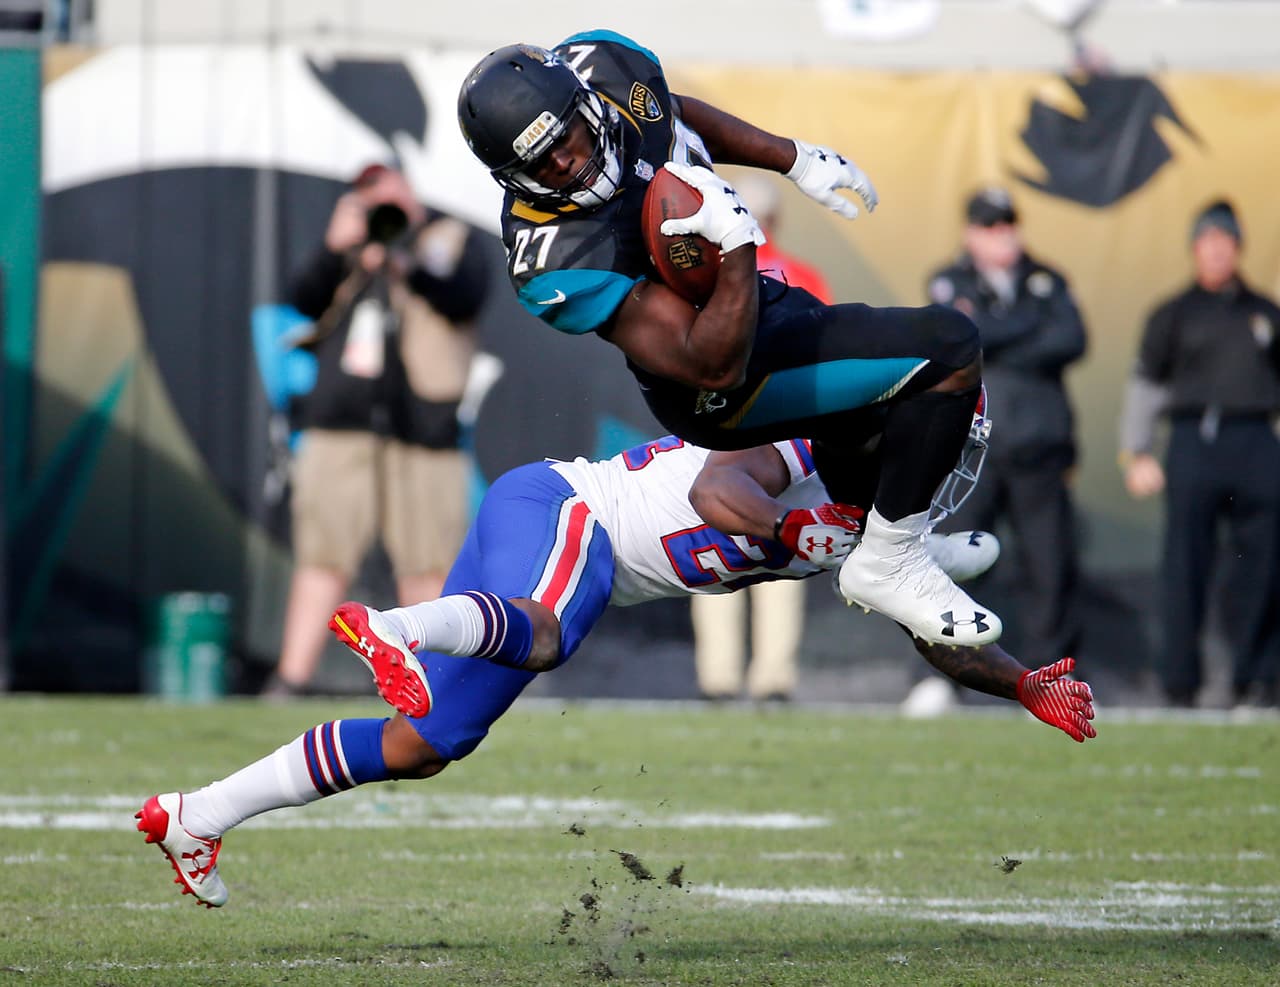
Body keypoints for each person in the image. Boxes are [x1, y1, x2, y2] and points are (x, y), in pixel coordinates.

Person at [136, 430, 1095, 907]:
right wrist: (796, 525)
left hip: (565, 551)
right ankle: (394, 624)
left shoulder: (886, 525)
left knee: (427, 742)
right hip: (569, 514)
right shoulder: (819, 433)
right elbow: (726, 485)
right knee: (549, 631)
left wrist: (1021, 684)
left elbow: (933, 629)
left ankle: (197, 814)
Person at [454, 33, 1000, 649]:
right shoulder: (552, 256)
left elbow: (670, 112)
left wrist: (791, 158)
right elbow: (710, 365)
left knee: (868, 421)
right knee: (951, 351)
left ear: (585, 103)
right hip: (721, 391)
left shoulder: (606, 65)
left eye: (565, 138)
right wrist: (738, 245)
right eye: (538, 162)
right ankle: (891, 560)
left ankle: (891, 547)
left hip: (765, 308)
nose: (561, 163)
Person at [262, 163, 491, 696]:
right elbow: (302, 300)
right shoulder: (349, 250)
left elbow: (465, 297)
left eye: (387, 192)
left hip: (423, 432)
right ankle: (289, 681)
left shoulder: (448, 237)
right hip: (344, 426)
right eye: (367, 196)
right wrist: (337, 248)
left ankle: (435, 682)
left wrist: (404, 262)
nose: (381, 205)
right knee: (323, 557)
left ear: (409, 190)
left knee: (427, 565)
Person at [905, 186, 1087, 716]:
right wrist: (1026, 324)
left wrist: (993, 329)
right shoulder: (950, 279)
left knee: (1049, 568)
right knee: (954, 564)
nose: (1001, 233)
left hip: (1039, 446)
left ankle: (1052, 678)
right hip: (970, 452)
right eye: (990, 225)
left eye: (1007, 222)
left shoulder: (1046, 278)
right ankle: (945, 677)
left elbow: (1071, 339)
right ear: (970, 233)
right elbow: (956, 335)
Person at [1118, 199, 1280, 708]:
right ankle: (1180, 682)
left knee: (1264, 564)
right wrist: (1136, 451)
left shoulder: (1265, 313)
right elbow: (1145, 384)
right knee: (1184, 566)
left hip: (1256, 440)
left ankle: (1256, 679)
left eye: (1225, 240)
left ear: (1237, 246)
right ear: (1194, 248)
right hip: (1193, 441)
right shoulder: (1173, 314)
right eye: (1207, 240)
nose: (1216, 250)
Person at [688, 174, 835, 702]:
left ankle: (719, 676)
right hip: (786, 433)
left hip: (723, 425)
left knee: (714, 541)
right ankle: (773, 676)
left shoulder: (708, 281)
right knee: (781, 539)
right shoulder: (803, 276)